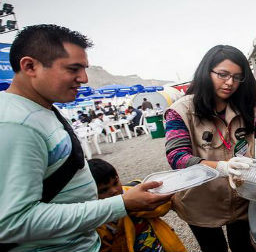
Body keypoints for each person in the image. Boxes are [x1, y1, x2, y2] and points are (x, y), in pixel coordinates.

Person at [0, 24, 171, 251]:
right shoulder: (15, 125)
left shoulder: (40, 109)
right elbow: (13, 222)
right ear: (30, 66)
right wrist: (120, 204)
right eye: (74, 69)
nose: (84, 78)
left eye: (84, 68)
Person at [165, 45, 256, 252]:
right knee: (214, 248)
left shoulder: (245, 104)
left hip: (242, 193)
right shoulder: (181, 110)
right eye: (223, 75)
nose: (230, 83)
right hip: (201, 201)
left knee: (243, 246)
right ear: (206, 72)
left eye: (237, 77)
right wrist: (220, 167)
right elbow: (177, 157)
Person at [87, 159, 186, 252]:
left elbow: (163, 208)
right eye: (104, 190)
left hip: (160, 246)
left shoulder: (134, 192)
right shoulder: (97, 219)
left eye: (115, 183)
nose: (114, 190)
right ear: (90, 195)